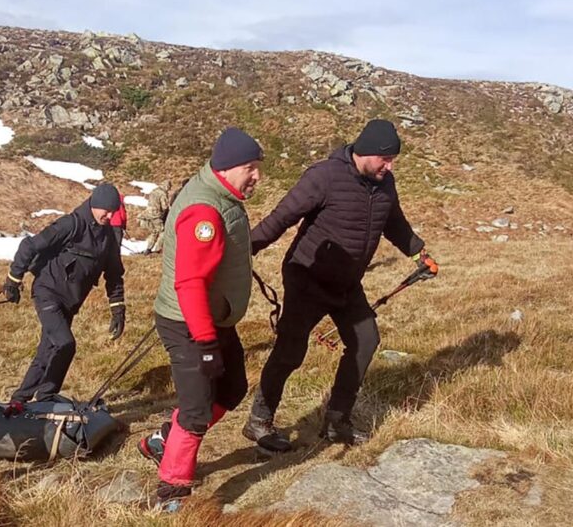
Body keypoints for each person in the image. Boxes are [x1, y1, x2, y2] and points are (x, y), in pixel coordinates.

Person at [242, 119, 439, 452]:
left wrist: (418, 250)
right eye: (385, 159)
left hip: (347, 283)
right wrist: (244, 248)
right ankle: (259, 420)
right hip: (307, 278)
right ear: (366, 152)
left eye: (393, 161)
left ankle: (336, 421)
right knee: (291, 352)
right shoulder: (324, 176)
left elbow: (394, 223)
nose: (389, 167)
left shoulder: (385, 184)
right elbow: (281, 217)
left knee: (365, 341)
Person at [137, 127, 263, 508]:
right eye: (251, 168)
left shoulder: (221, 195)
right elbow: (189, 283)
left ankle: (163, 441)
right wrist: (206, 343)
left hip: (213, 320)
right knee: (195, 410)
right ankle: (171, 492)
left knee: (232, 388)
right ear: (226, 168)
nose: (257, 176)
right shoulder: (205, 212)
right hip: (191, 324)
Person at [3, 183, 126, 404]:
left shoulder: (109, 237)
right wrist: (13, 280)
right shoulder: (71, 224)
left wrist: (118, 309)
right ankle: (46, 396)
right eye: (105, 210)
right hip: (47, 292)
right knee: (65, 343)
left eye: (113, 211)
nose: (109, 216)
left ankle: (20, 400)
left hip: (71, 301)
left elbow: (114, 274)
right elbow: (29, 246)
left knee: (47, 351)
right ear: (94, 204)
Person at [138, 180, 172, 254]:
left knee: (154, 231)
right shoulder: (163, 193)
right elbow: (164, 207)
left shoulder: (153, 191)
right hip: (156, 215)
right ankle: (158, 249)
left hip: (148, 214)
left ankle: (148, 248)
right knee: (163, 231)